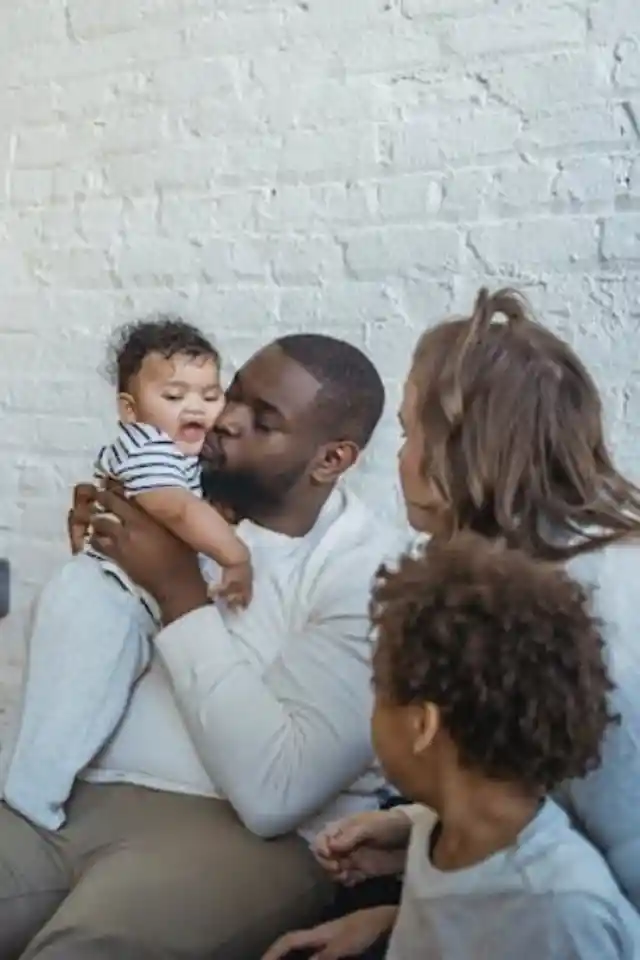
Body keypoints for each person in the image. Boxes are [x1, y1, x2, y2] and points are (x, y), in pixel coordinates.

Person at [0, 332, 407, 960]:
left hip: (238, 835)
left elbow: (277, 795)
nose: (225, 420)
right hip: (70, 793)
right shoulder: (179, 499)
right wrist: (104, 572)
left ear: (331, 460)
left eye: (263, 421)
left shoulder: (372, 573)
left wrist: (177, 589)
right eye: (232, 395)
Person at [262, 285, 640, 958]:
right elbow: (531, 800)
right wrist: (414, 846)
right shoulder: (519, 582)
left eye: (411, 432)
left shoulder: (606, 626)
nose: (400, 456)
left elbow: (600, 904)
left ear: (465, 452)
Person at [263, 534, 640, 960]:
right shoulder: (447, 830)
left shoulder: (563, 911)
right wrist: (385, 922)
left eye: (380, 690)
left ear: (422, 726)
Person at [1, 317, 252, 834]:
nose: (195, 408)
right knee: (67, 712)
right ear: (130, 410)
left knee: (82, 708)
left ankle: (30, 795)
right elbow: (177, 510)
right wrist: (236, 557)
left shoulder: (177, 454)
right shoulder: (147, 447)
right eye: (174, 395)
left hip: (120, 600)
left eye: (210, 395)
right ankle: (28, 806)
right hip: (102, 600)